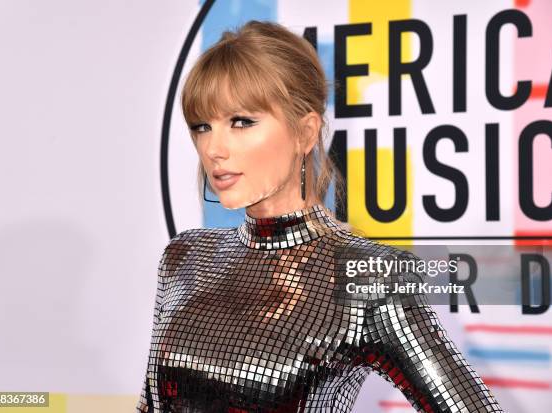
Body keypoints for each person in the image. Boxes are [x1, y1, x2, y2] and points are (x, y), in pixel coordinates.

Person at [136, 20, 504, 413]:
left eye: (241, 122)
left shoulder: (370, 275)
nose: (213, 148)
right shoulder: (185, 257)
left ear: (305, 132)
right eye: (202, 126)